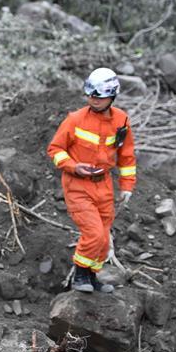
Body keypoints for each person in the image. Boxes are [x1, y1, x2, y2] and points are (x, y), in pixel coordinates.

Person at [47, 67, 137, 293]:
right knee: (93, 233)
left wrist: (127, 186)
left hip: (104, 184)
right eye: (90, 96)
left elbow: (126, 155)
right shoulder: (75, 120)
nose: (93, 100)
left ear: (112, 95)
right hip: (77, 185)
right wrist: (73, 166)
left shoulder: (121, 120)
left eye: (99, 97)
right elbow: (55, 149)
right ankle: (79, 276)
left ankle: (92, 278)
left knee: (104, 239)